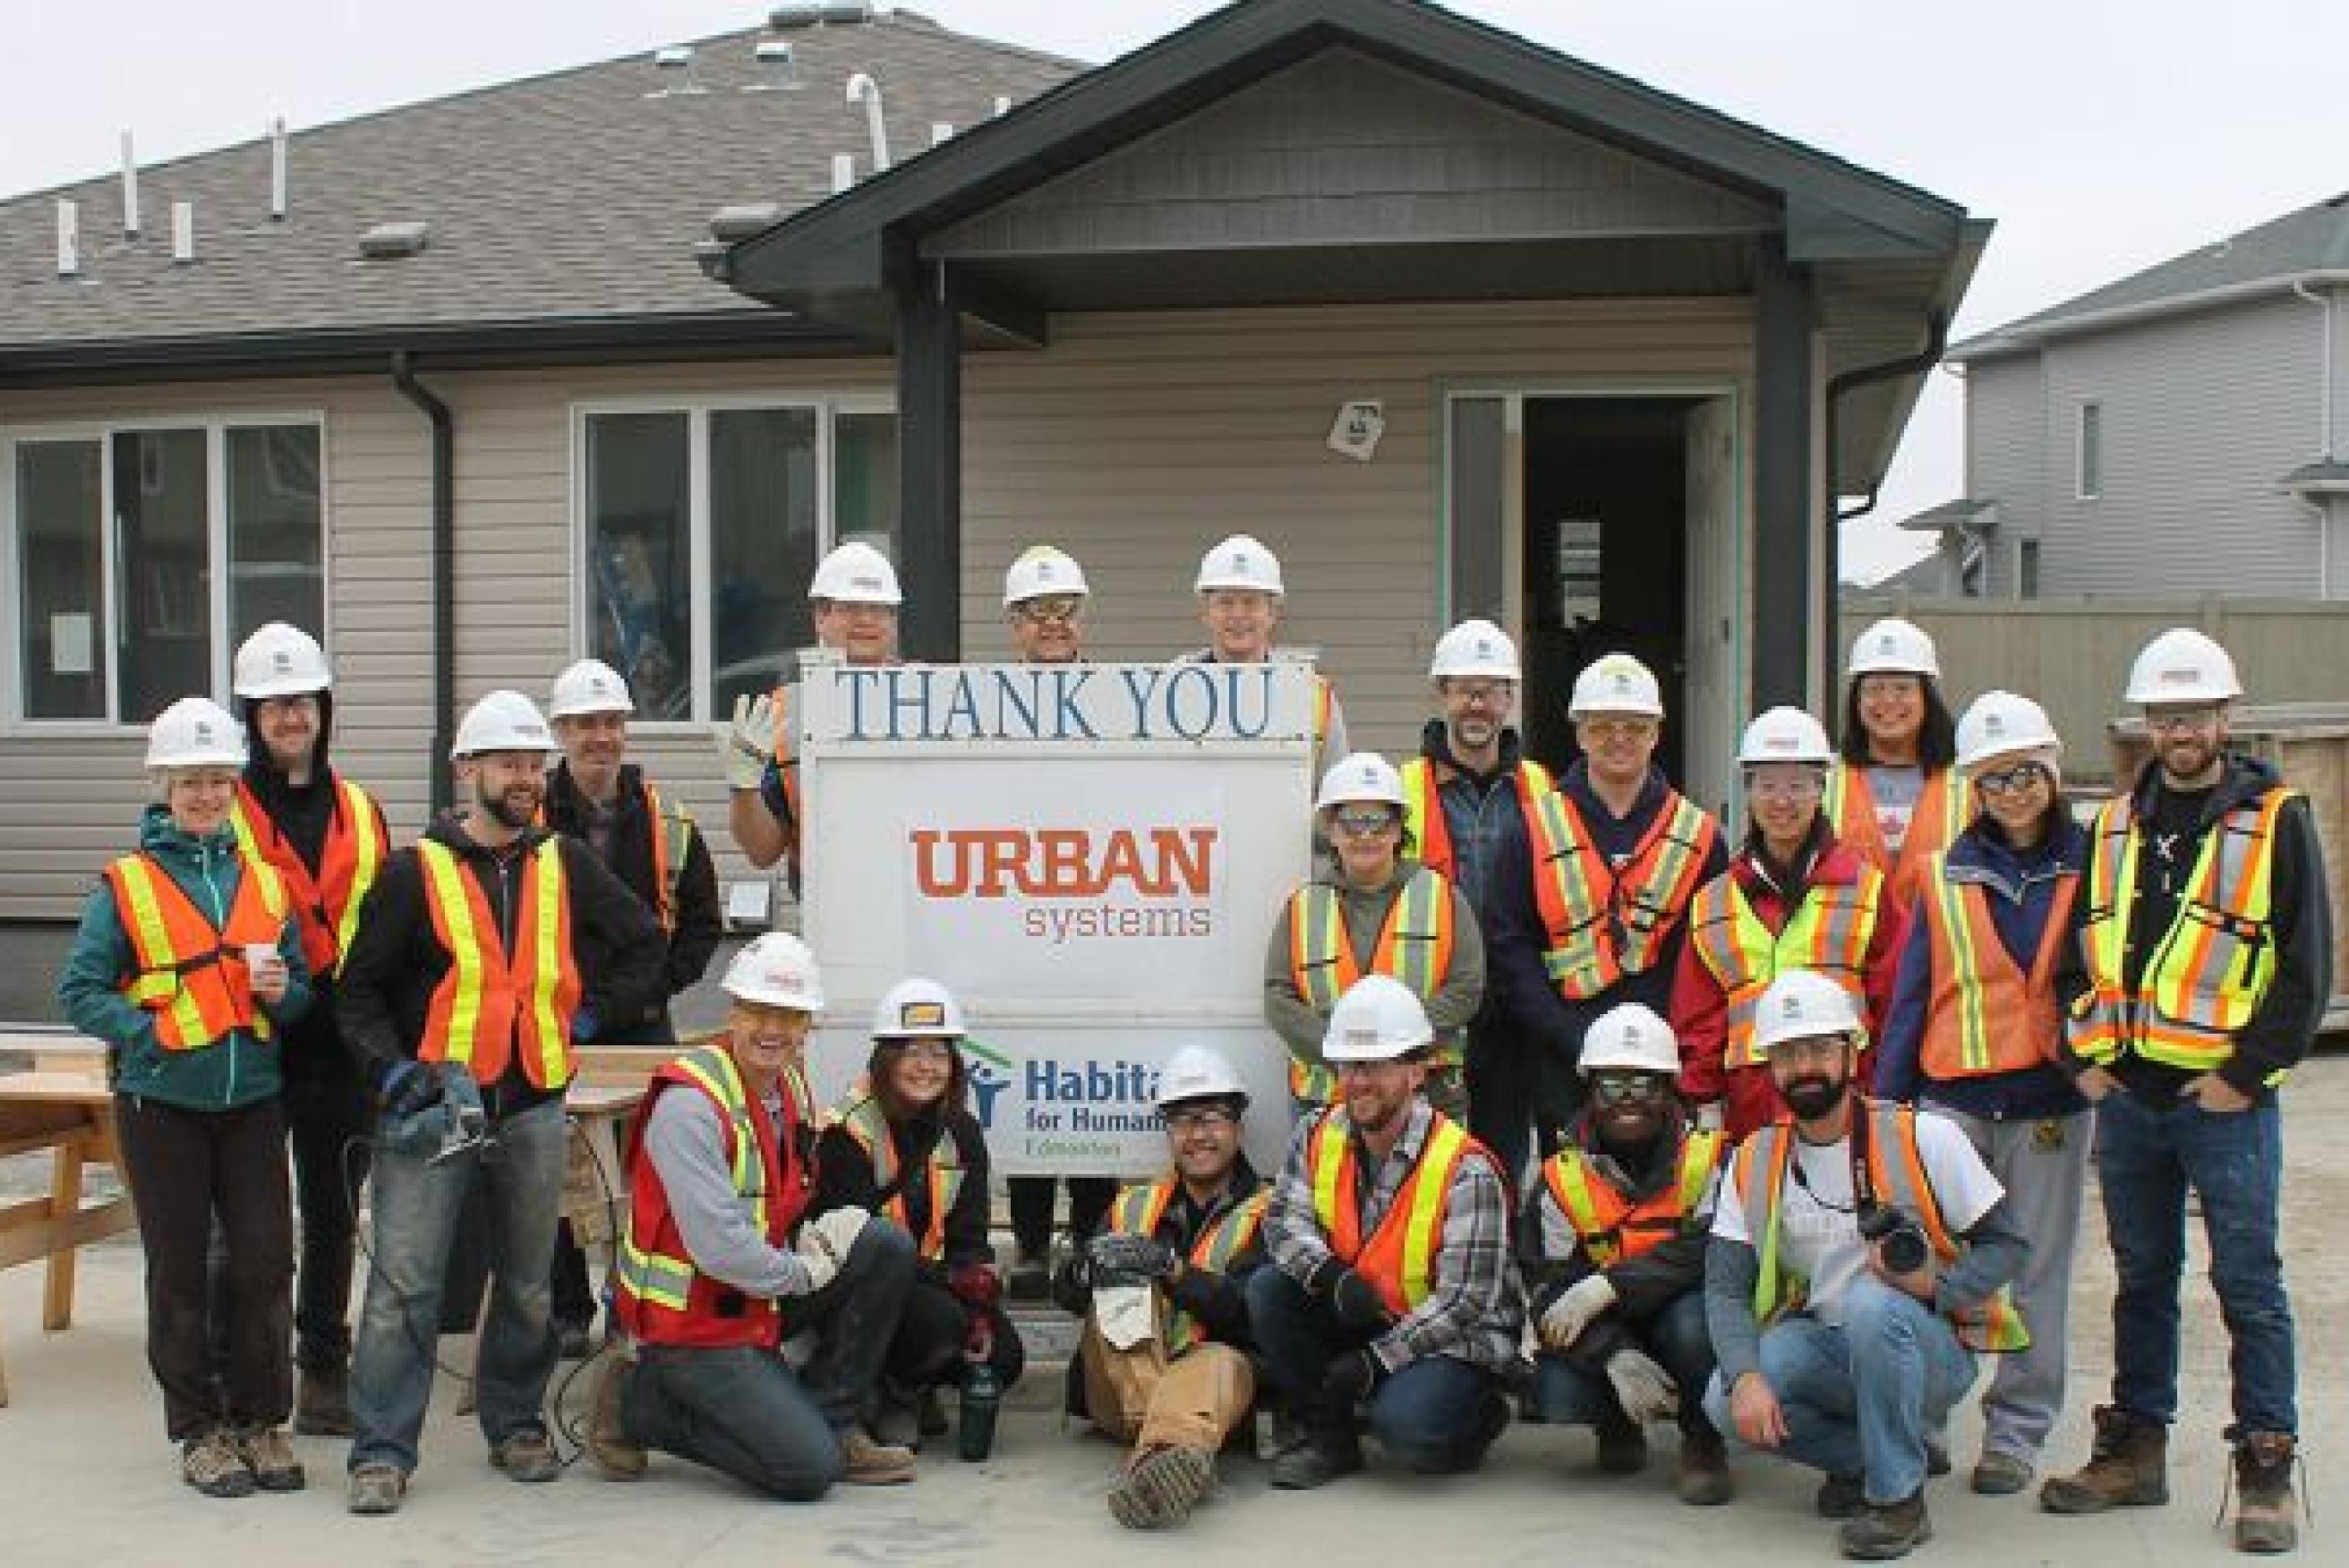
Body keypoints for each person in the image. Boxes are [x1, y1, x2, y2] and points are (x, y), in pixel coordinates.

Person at [336, 690, 663, 1515]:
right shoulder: (414, 872)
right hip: (434, 1108)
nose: (525, 780)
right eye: (509, 765)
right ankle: (381, 1450)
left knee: (525, 1283)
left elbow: (644, 944)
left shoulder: (564, 863)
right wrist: (390, 1072)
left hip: (533, 1104)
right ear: (466, 771)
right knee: (404, 1283)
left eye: (532, 766)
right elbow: (357, 994)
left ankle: (515, 1425)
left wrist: (591, 1013)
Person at [2039, 628, 2329, 1554]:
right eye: (2164, 715)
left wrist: (2242, 1079)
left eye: (2194, 713)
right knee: (2139, 1280)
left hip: (2222, 1105)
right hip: (2129, 1102)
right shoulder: (2116, 822)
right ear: (2146, 725)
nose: (2179, 729)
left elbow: (2304, 968)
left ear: (2224, 717)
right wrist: (2078, 1058)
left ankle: (2265, 1463)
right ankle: (2135, 1448)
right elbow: (2076, 951)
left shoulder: (2275, 819)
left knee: (2246, 1283)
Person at [57, 696, 314, 1499]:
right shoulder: (128, 885)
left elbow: (301, 995)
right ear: (163, 786)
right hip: (161, 1105)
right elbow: (79, 991)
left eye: (218, 780)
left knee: (267, 1263)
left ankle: (261, 1420)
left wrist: (281, 991)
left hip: (253, 1102)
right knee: (179, 1271)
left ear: (237, 786)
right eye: (190, 781)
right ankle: (200, 1431)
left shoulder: (267, 885)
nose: (206, 795)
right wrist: (145, 1033)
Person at [1703, 970, 2029, 1562]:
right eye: (1787, 1053)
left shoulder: (1925, 1138)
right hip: (1826, 1341)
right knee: (1723, 1401)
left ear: (1852, 1053)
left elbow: (2009, 1246)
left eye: (1819, 1049)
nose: (1804, 1066)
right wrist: (1747, 1378)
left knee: (1871, 1305)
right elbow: (1725, 1289)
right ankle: (1881, 1454)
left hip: (1929, 1347)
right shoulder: (1754, 1159)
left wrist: (1938, 1286)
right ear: (1768, 1066)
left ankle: (1898, 1501)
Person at [585, 933, 918, 1496]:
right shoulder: (690, 1106)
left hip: (753, 1298)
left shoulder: (785, 1083)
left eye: (789, 1017)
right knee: (807, 1471)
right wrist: (803, 1271)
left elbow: (784, 1193)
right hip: (690, 1326)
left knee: (883, 1246)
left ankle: (832, 1420)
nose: (773, 1030)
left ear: (808, 1024)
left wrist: (832, 1235)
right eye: (759, 1012)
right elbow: (719, 1245)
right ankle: (641, 1404)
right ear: (732, 1013)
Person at [1876, 691, 2089, 1498]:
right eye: (1995, 780)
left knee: (2037, 1274)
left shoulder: (2094, 859)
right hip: (1952, 1102)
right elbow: (1911, 993)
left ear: (2054, 769)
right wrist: (1889, 1106)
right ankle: (1925, 1417)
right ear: (1974, 786)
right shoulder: (1943, 873)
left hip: (2048, 1105)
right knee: (1931, 1266)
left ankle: (2016, 1433)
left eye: (2027, 774)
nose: (2013, 792)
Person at [1251, 975, 1522, 1489]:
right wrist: (1331, 1276)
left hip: (1451, 1340)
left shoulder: (1465, 1169)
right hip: (1366, 1311)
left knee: (1413, 1436)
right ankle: (1331, 1440)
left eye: (1375, 1066)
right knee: (1269, 1290)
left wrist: (1375, 1362)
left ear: (1418, 1071)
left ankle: (1477, 1414)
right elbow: (1283, 1223)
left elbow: (1463, 1302)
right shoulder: (1317, 1132)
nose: (1357, 1082)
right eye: (1350, 1066)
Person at [225, 623, 390, 1436]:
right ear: (250, 718)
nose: (290, 717)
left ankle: (324, 1370)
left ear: (323, 708)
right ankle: (242, 1379)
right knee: (252, 1225)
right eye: (271, 705)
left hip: (342, 1045)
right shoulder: (224, 810)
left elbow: (390, 926)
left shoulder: (362, 809)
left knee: (331, 1217)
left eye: (301, 701)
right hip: (251, 1040)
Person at [542, 656, 724, 1352]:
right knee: (560, 1177)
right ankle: (566, 1313)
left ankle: (630, 1303)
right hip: (554, 1024)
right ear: (561, 731)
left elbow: (701, 923)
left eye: (612, 723)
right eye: (586, 724)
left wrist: (651, 991)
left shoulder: (667, 823)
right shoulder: (533, 820)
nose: (600, 737)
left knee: (647, 1176)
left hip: (643, 1027)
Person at [1481, 649, 1725, 1172]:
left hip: (1662, 1054)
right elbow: (1508, 943)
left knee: (1660, 1192)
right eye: (1603, 726)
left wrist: (1667, 1037)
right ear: (1579, 732)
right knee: (1570, 1196)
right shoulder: (1532, 826)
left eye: (1635, 726)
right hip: (1561, 1053)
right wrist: (1564, 1033)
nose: (1619, 739)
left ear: (1656, 733)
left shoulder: (1699, 834)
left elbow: (1710, 951)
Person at [1054, 1045, 1268, 1530]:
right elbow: (1066, 1295)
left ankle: (1159, 1458)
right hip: (1118, 1385)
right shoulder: (1132, 1207)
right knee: (1118, 1282)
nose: (1198, 1135)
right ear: (1169, 1132)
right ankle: (1170, 1453)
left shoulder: (1271, 1213)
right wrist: (1081, 1274)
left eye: (1211, 1118)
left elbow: (1251, 1315)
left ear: (1237, 1126)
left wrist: (1171, 1270)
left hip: (1213, 1391)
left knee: (1221, 1359)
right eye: (1183, 1121)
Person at [1524, 1002, 1730, 1504]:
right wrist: (1612, 1352)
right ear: (1591, 1093)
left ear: (1668, 1090)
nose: (1627, 1101)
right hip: (1612, 1329)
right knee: (1556, 1389)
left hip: (1683, 1315)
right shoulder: (1560, 1178)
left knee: (1693, 1325)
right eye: (1613, 1086)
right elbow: (1546, 1285)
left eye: (1643, 1084)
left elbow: (1710, 1250)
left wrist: (1607, 1285)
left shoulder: (1709, 1158)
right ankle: (1617, 1423)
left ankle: (1703, 1441)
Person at [1674, 707, 1904, 1139]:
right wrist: (1704, 1104)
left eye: (1798, 785)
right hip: (1749, 1113)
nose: (1782, 801)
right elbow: (1697, 1019)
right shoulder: (1713, 901)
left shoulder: (1867, 889)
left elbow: (1893, 1003)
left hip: (1846, 1106)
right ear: (1748, 791)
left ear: (1821, 789)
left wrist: (1882, 1092)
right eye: (1767, 786)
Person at [814, 978, 1023, 1448]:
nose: (926, 1067)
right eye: (911, 1053)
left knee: (1005, 1356)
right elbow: (851, 1248)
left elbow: (970, 1237)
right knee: (941, 1323)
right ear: (885, 1060)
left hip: (934, 1284)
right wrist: (954, 1290)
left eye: (939, 1053)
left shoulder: (962, 1132)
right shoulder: (846, 1133)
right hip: (861, 1290)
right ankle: (889, 1392)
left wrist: (981, 1301)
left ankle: (917, 1382)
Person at [997, 546, 1118, 1299]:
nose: (1052, 624)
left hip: (1103, 903)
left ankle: (1095, 1238)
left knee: (1097, 1072)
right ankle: (1035, 1244)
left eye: (1064, 610)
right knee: (1029, 1074)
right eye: (1037, 613)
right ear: (1014, 624)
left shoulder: (1116, 696)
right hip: (1014, 904)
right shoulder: (987, 701)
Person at [1265, 752, 1485, 1121]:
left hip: (1424, 1096)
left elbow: (1466, 988)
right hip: (1325, 1101)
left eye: (1379, 822)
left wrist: (1396, 1048)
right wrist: (1343, 1051)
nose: (1365, 835)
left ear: (1399, 830)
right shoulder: (1302, 907)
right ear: (1331, 831)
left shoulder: (1443, 897)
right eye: (1351, 822)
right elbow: (1278, 998)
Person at [721, 541, 901, 878]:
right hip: (826, 910)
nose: (865, 619)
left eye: (878, 609)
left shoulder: (932, 698)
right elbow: (762, 851)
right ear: (820, 617)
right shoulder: (784, 714)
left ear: (892, 621)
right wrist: (743, 789)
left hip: (917, 901)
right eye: (849, 607)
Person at [1824, 618, 1966, 916]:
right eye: (1874, 689)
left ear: (1926, 698)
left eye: (1902, 688)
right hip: (1853, 953)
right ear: (1856, 701)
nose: (1888, 701)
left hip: (1936, 955)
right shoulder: (1827, 784)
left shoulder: (1966, 785)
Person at [1181, 533, 1348, 777]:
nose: (1238, 614)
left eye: (1250, 602)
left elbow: (1336, 793)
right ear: (1205, 613)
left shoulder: (1313, 696)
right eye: (1226, 602)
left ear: (1273, 614)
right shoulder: (1174, 686)